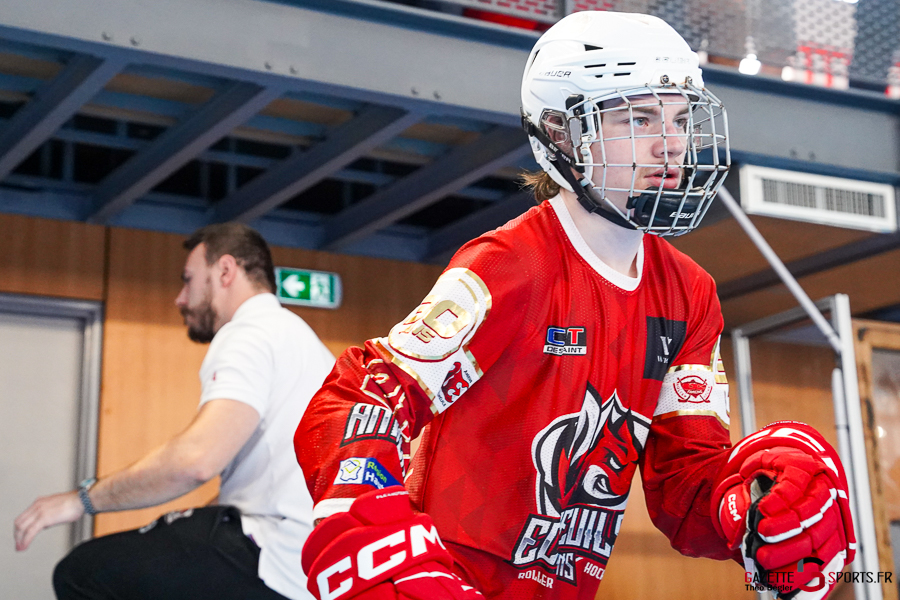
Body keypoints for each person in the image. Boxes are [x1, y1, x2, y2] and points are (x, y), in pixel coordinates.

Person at [293, 11, 856, 600]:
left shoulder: (691, 294)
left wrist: (754, 503)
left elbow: (684, 481)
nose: (672, 144)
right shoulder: (513, 262)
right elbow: (363, 396)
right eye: (640, 118)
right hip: (445, 583)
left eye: (682, 118)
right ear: (562, 134)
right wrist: (365, 523)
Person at [14, 223, 335, 600]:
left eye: (188, 280)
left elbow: (195, 461)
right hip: (316, 565)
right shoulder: (302, 340)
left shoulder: (249, 333)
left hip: (274, 555)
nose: (181, 298)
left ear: (226, 271)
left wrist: (80, 500)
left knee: (83, 572)